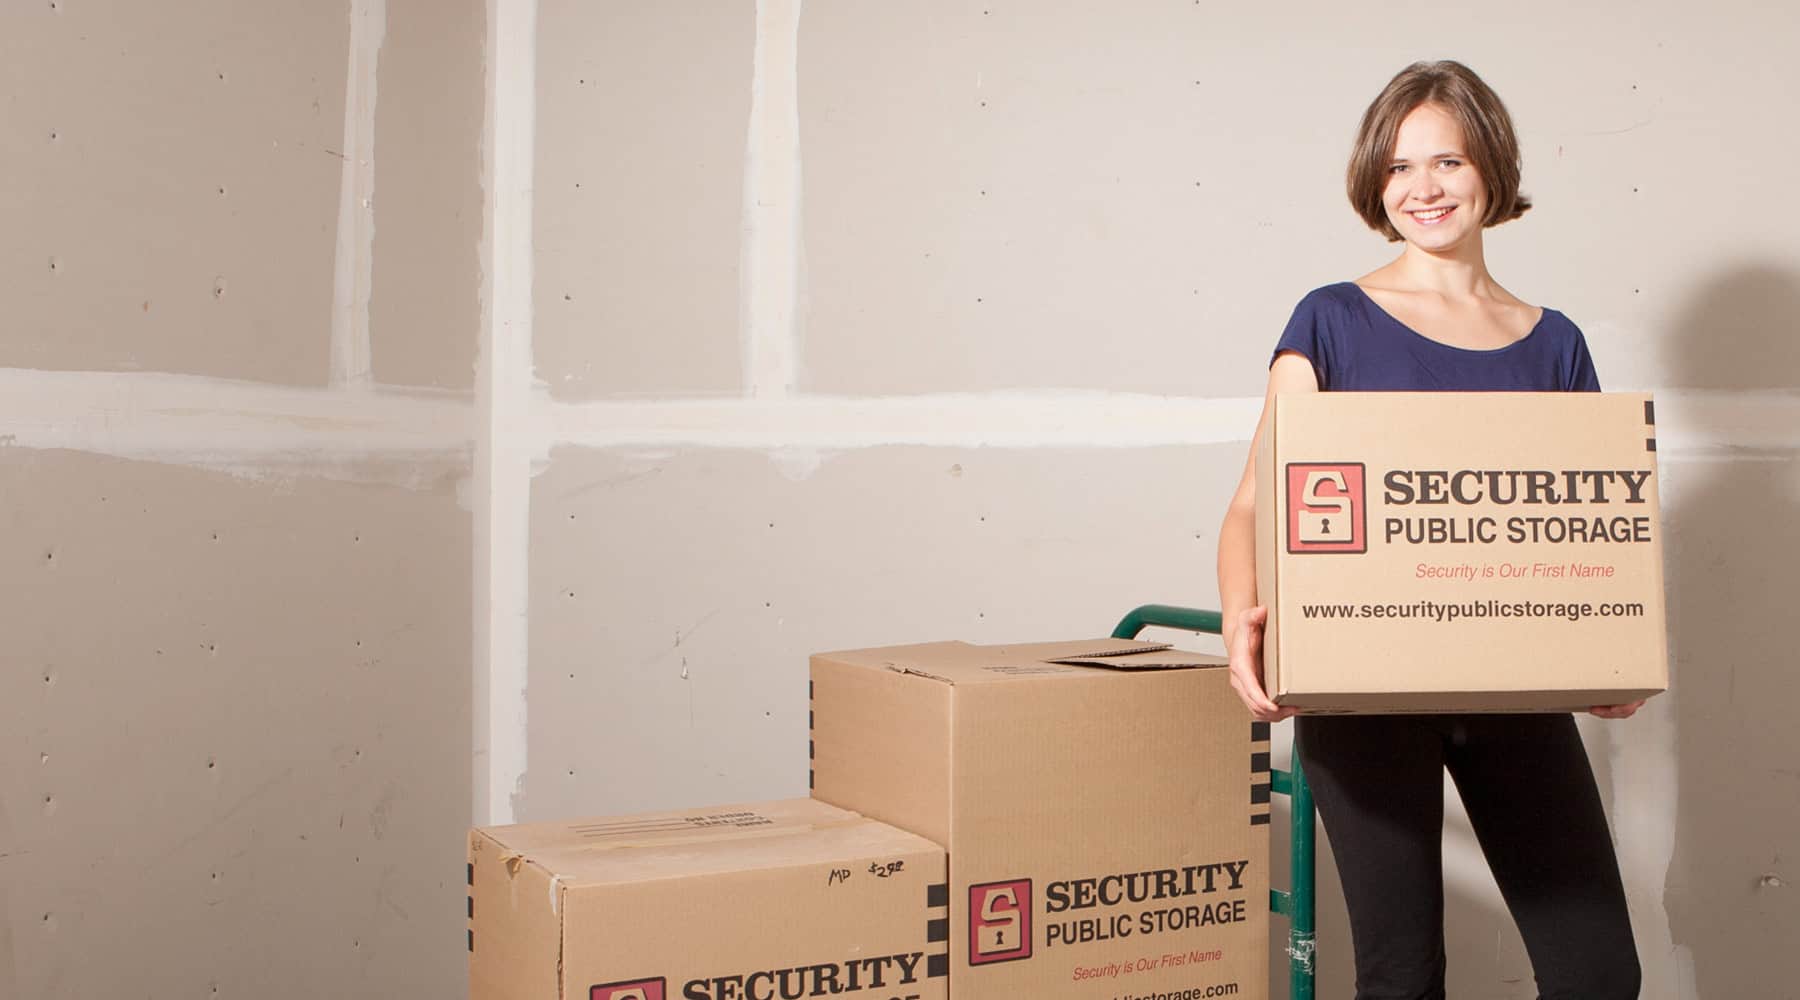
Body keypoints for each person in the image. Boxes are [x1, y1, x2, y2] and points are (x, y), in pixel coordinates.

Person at [1215, 61, 1645, 1000]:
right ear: (1376, 184)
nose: (1424, 189)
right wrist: (1241, 624)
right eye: (1400, 168)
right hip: (1360, 691)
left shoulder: (1554, 341)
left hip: (1513, 687)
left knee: (1598, 975)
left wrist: (1613, 649)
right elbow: (1257, 503)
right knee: (1403, 981)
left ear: (1490, 166)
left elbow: (1587, 524)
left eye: (1447, 161)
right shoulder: (1331, 321)